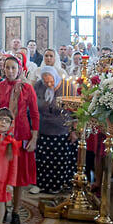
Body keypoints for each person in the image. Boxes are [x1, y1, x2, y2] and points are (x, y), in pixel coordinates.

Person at [0, 56, 39, 224]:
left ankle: (16, 211)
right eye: (7, 68)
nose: (10, 71)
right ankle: (1, 208)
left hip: (21, 135)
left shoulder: (27, 88)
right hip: (2, 136)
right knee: (1, 175)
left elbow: (34, 114)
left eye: (13, 68)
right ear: (3, 69)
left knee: (19, 177)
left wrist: (34, 137)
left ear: (19, 69)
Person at [33, 67, 75, 195]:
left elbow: (74, 110)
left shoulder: (67, 87)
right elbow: (34, 106)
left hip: (62, 130)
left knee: (59, 160)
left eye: (51, 81)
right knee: (43, 160)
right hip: (43, 128)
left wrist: (73, 130)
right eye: (46, 82)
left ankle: (58, 184)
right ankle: (41, 184)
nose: (49, 84)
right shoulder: (38, 86)